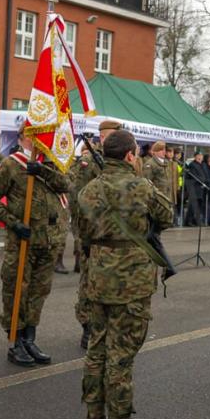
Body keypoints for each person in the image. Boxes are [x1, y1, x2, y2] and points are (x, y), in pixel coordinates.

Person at [77, 130, 173, 419]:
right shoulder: (141, 187)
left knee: (97, 347)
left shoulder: (89, 190)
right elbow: (167, 215)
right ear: (131, 156)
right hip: (131, 281)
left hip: (98, 277)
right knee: (122, 351)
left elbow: (82, 231)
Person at [0, 126, 70, 366]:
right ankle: (14, 341)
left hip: (49, 241)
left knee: (39, 291)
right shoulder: (10, 165)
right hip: (23, 241)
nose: (40, 140)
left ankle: (29, 338)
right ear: (23, 137)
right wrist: (14, 224)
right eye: (34, 135)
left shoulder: (51, 163)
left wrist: (43, 171)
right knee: (17, 289)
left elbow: (65, 185)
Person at [69, 119, 122, 350]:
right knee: (89, 279)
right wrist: (83, 234)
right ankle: (87, 325)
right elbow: (77, 198)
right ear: (102, 137)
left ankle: (106, 325)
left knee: (111, 279)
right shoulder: (89, 161)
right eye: (112, 135)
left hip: (117, 233)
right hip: (92, 231)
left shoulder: (123, 160)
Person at [185, 152, 208, 226]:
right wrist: (202, 180)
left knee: (199, 206)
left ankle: (196, 220)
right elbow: (194, 176)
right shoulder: (192, 165)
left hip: (202, 189)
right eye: (198, 156)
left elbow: (205, 174)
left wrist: (206, 181)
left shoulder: (203, 165)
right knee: (192, 205)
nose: (200, 157)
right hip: (194, 188)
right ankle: (189, 221)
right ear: (195, 157)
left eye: (201, 156)